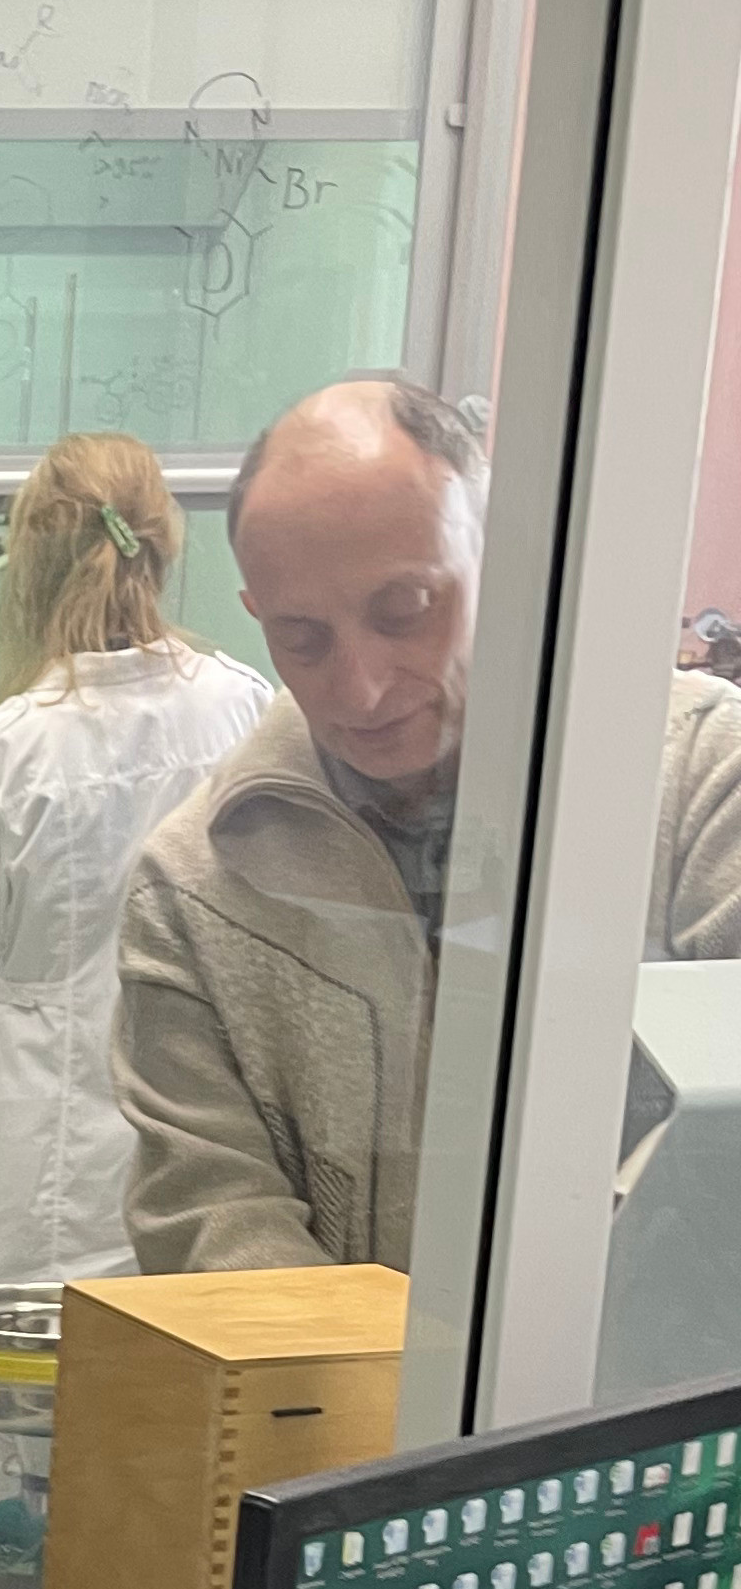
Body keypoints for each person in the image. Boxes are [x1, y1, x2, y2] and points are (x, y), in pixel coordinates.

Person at [116, 373, 741, 1270]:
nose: (361, 688)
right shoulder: (193, 886)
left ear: (503, 564)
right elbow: (210, 1222)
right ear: (255, 615)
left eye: (405, 611)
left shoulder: (702, 780)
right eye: (303, 639)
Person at [0, 433, 268, 1295]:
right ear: (164, 546)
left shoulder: (2, 750)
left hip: (38, 1144)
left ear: (30, 561)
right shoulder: (247, 707)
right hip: (208, 1131)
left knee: (23, 1368)